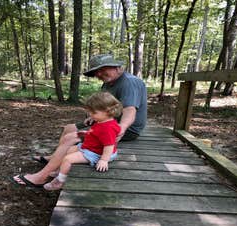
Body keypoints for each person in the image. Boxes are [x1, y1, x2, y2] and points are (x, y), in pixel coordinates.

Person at [11, 54, 147, 187]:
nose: (99, 74)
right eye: (96, 72)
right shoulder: (109, 83)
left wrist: (122, 128)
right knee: (69, 128)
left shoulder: (129, 82)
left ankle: (42, 177)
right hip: (105, 120)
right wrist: (93, 116)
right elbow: (104, 106)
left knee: (71, 138)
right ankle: (54, 160)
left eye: (102, 69)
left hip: (123, 128)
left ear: (116, 67)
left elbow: (130, 111)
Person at [12, 92, 122, 190]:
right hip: (91, 147)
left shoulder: (107, 128)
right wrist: (88, 134)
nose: (91, 115)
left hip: (97, 154)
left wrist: (103, 160)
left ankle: (60, 181)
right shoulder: (102, 121)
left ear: (107, 111)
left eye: (93, 113)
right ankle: (60, 170)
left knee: (68, 159)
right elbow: (98, 135)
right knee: (69, 150)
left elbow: (109, 146)